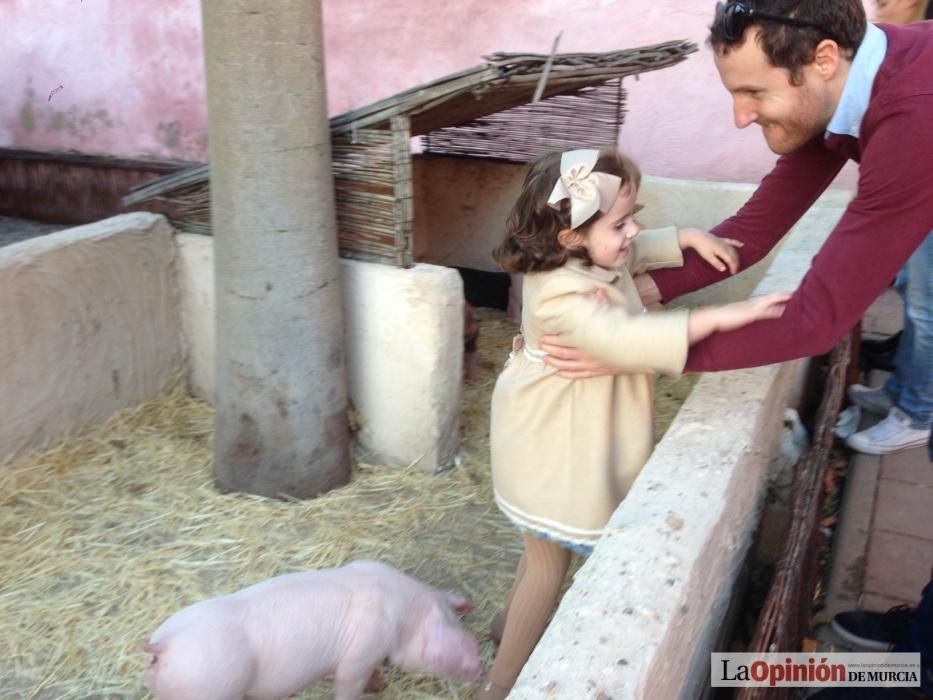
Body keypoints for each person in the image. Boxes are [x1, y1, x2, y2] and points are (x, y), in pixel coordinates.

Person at [538, 0, 933, 456]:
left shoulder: (912, 117)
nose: (740, 117)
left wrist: (637, 353)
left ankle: (919, 411)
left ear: (823, 59)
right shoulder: (838, 89)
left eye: (755, 93)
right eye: (734, 94)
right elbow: (752, 231)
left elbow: (815, 322)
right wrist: (641, 288)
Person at [477, 148, 790, 699]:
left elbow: (629, 253)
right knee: (548, 563)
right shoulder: (559, 296)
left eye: (633, 216)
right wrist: (718, 316)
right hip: (554, 446)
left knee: (540, 554)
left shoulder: (578, 256)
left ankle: (506, 630)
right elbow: (624, 339)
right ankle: (500, 685)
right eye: (621, 222)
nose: (633, 230)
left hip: (562, 432)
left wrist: (683, 237)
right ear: (572, 236)